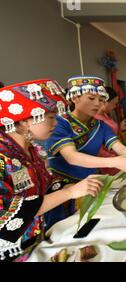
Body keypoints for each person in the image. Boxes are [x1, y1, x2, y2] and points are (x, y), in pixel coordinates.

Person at [0, 79, 102, 261]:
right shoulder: (3, 156)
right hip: (16, 251)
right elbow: (7, 213)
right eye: (51, 117)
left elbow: (45, 183)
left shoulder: (30, 149)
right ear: (24, 121)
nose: (56, 122)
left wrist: (66, 186)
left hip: (39, 237)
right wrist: (70, 192)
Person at [44, 76, 126, 227]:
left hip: (91, 183)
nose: (98, 103)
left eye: (101, 99)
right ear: (75, 98)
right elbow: (72, 157)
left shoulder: (99, 125)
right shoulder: (60, 124)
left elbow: (119, 146)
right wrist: (115, 161)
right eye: (91, 98)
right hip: (65, 188)